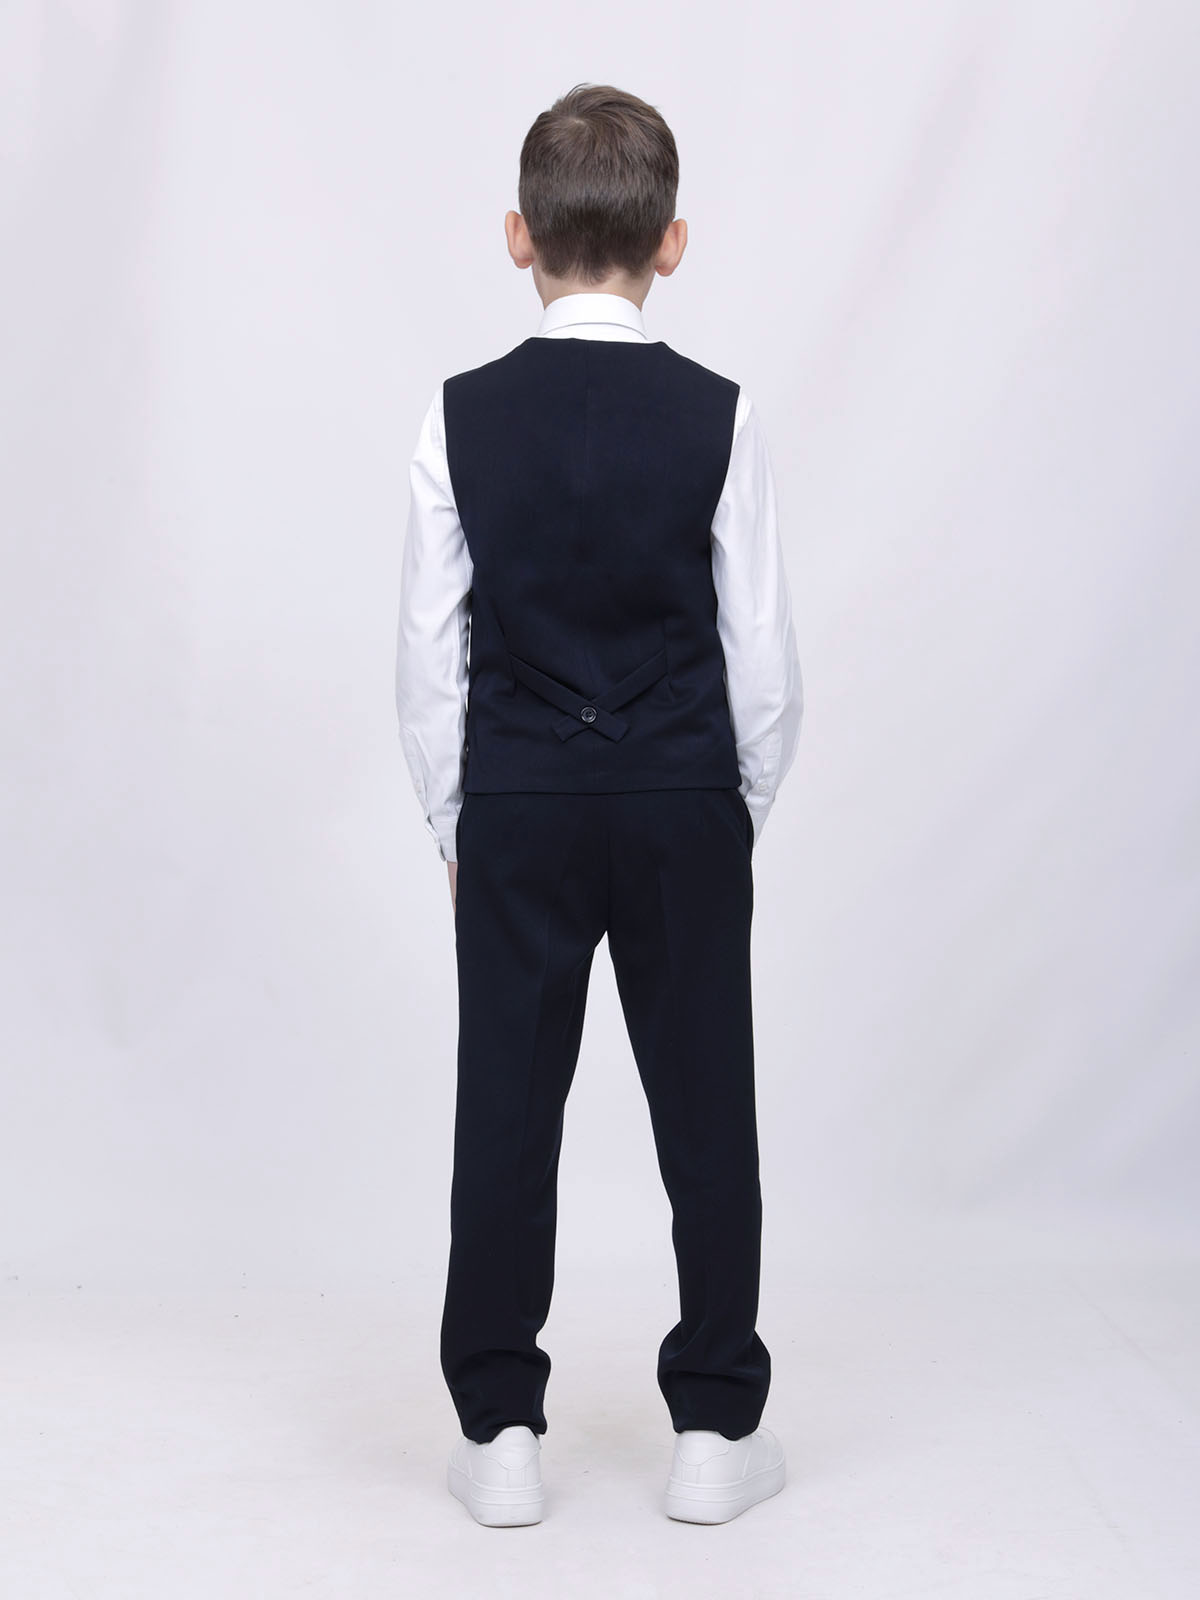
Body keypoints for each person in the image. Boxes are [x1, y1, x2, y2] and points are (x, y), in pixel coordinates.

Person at [394, 82, 803, 1527]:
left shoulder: (458, 417)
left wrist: (459, 820)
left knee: (505, 1109)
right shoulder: (721, 415)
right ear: (671, 242)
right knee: (708, 1107)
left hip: (519, 803)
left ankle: (501, 1431)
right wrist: (727, 809)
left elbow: (427, 653)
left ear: (519, 234)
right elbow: (765, 660)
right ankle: (715, 1429)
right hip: (683, 795)